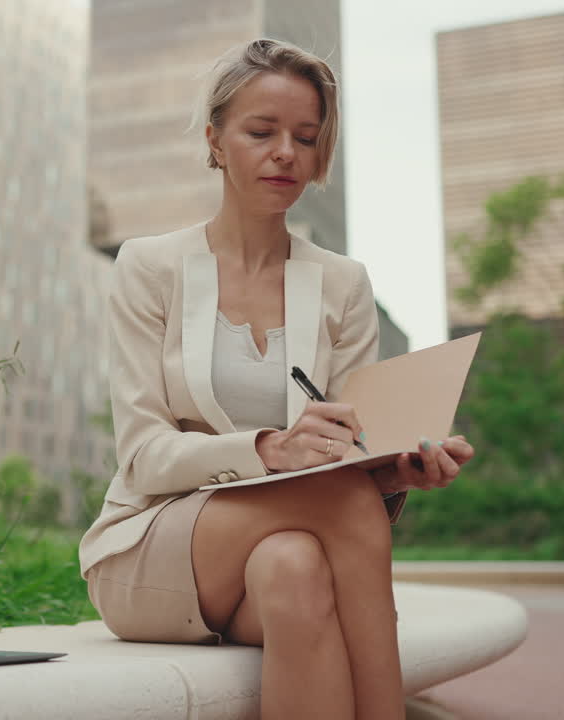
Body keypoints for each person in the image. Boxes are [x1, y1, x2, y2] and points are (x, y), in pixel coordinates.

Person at [78, 38, 475, 720]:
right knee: (346, 505)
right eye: (261, 132)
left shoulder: (343, 285)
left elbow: (351, 450)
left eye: (307, 136)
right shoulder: (148, 267)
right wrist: (268, 449)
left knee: (295, 566)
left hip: (284, 548)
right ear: (216, 140)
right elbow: (142, 456)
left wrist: (395, 469)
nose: (286, 152)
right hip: (151, 547)